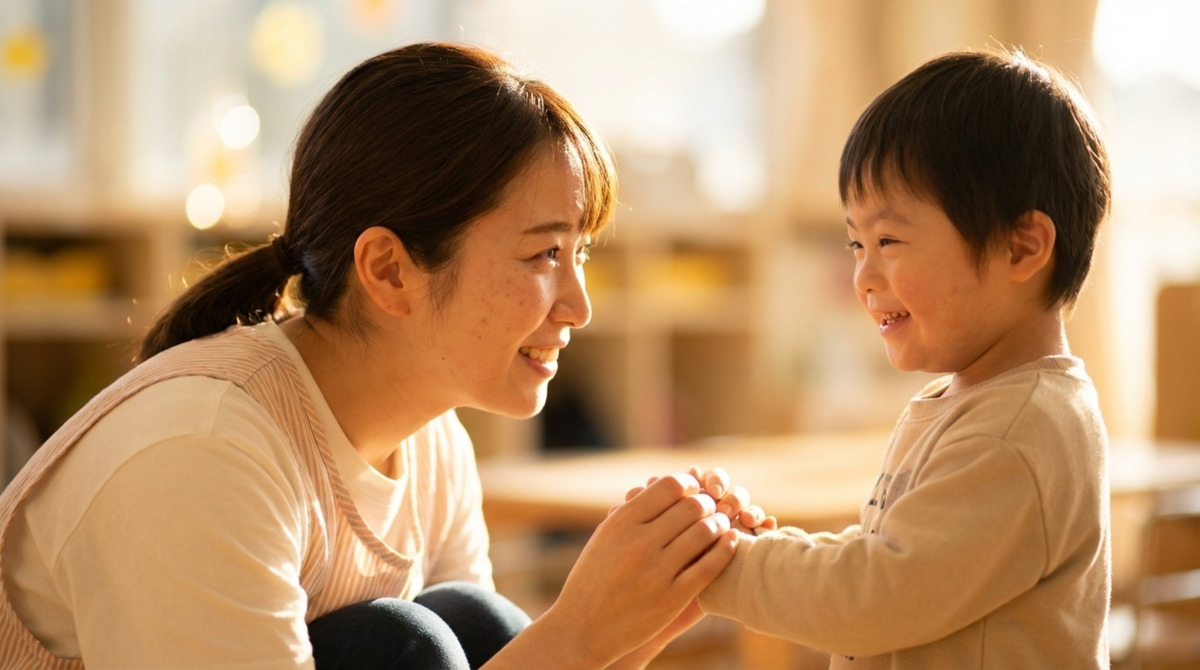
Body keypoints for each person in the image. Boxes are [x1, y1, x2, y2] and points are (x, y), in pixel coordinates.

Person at [0, 42, 744, 670]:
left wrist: (626, 630)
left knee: (463, 622)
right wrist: (578, 637)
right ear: (389, 270)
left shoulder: (432, 443)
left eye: (579, 253)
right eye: (545, 252)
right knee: (403, 644)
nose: (578, 304)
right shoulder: (203, 448)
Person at [693, 48, 1114, 667]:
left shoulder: (1018, 430)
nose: (863, 275)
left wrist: (725, 566)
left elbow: (877, 597)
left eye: (888, 240)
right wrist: (761, 547)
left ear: (1021, 248)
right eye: (856, 242)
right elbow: (895, 559)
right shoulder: (976, 404)